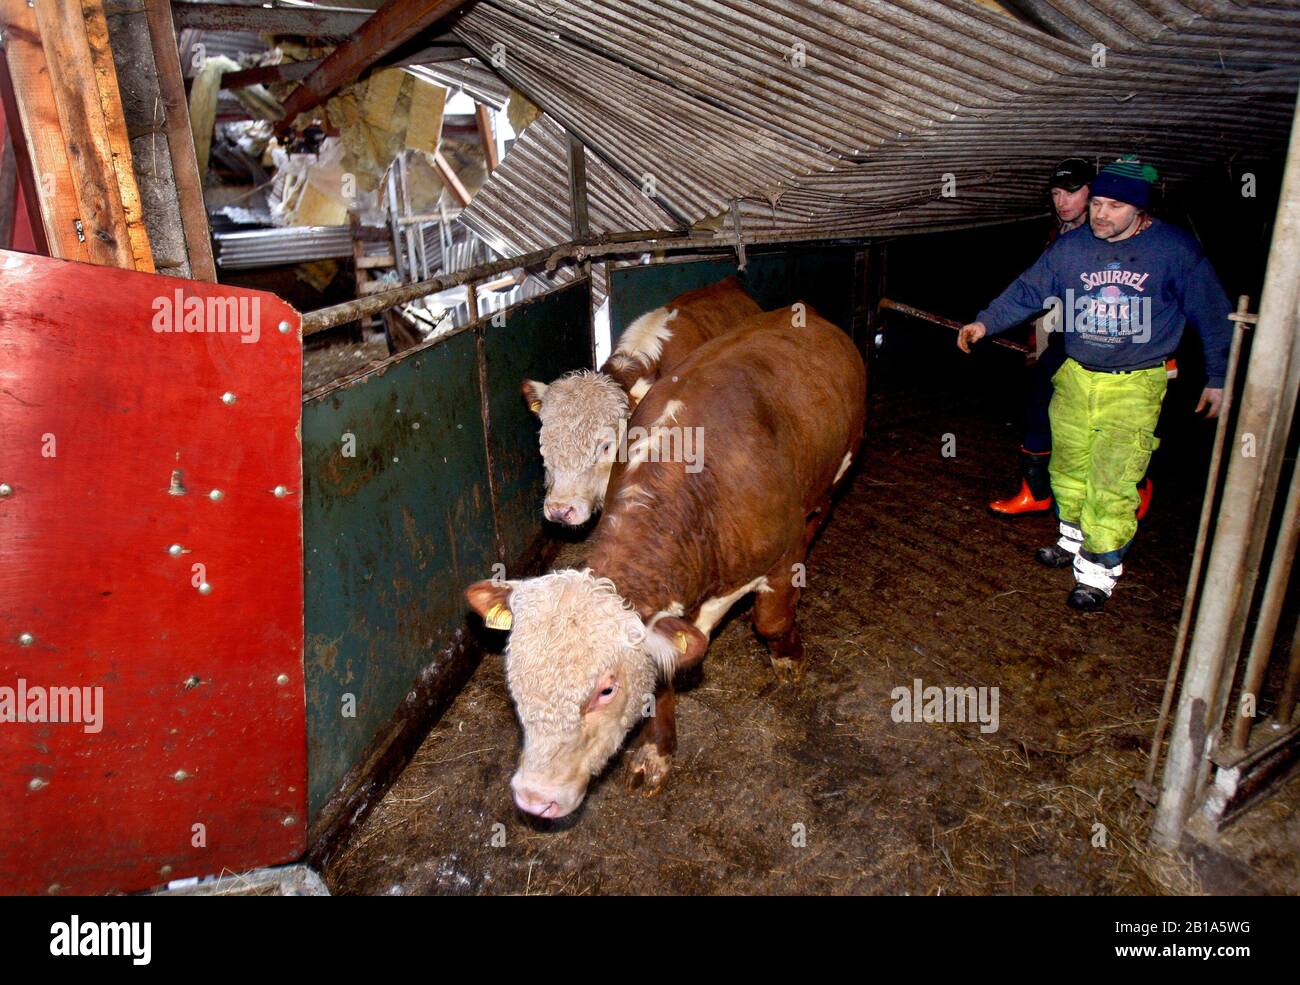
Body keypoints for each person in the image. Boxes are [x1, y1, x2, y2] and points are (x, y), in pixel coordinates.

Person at [958, 156, 1230, 612]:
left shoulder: (1175, 252)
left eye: (1115, 207)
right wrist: (985, 323)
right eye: (1097, 203)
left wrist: (1219, 377)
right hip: (1076, 375)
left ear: (1141, 212)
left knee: (1113, 479)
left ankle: (1098, 573)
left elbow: (1213, 316)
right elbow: (1029, 290)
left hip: (1135, 383)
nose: (1100, 214)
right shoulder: (1072, 249)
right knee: (1068, 468)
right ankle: (1072, 541)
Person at [990, 158, 1156, 519]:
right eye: (1055, 193)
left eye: (1072, 193)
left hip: (1120, 348)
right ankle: (1035, 492)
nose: (1062, 201)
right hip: (1067, 339)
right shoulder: (1060, 236)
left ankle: (1133, 488)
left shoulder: (1134, 239)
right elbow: (1034, 289)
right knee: (1040, 408)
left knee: (1111, 425)